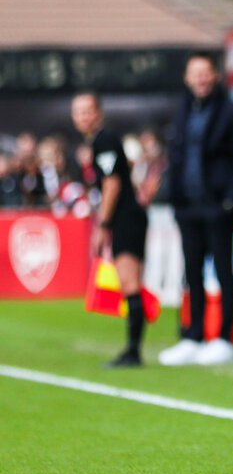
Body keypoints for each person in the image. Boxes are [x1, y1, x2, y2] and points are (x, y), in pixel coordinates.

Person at [159, 52, 233, 366]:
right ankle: (193, 335)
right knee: (192, 273)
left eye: (205, 72)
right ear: (187, 79)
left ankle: (224, 337)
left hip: (218, 208)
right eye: (194, 73)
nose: (200, 79)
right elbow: (176, 158)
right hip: (188, 207)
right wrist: (175, 198)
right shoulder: (182, 113)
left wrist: (230, 201)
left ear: (214, 75)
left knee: (224, 272)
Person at [72, 92, 148, 367]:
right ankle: (133, 349)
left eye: (87, 111)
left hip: (125, 217)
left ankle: (133, 351)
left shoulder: (104, 140)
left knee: (129, 283)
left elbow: (112, 184)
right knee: (129, 282)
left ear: (98, 112)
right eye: (78, 112)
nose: (83, 117)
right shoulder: (100, 141)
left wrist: (102, 224)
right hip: (127, 216)